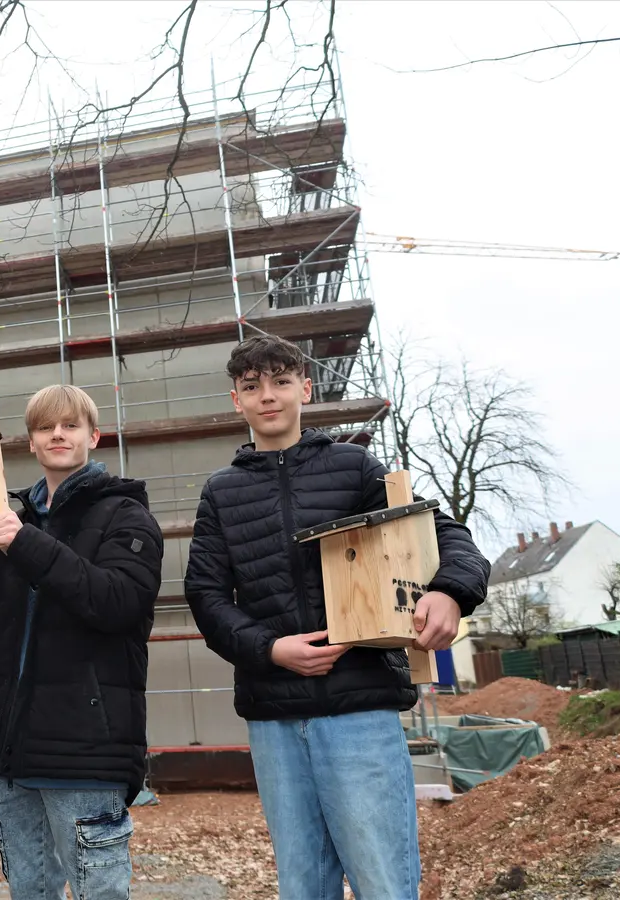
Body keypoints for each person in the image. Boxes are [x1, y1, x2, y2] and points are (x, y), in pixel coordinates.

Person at [184, 335, 490, 899]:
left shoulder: (353, 467)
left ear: (305, 387)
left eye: (280, 382)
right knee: (303, 881)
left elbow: (443, 533)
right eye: (252, 387)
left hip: (362, 704)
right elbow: (205, 594)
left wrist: (450, 591)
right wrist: (269, 649)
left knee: (383, 877)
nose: (267, 396)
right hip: (273, 712)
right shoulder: (222, 492)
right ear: (236, 401)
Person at [0, 384, 163, 900]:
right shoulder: (16, 522)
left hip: (86, 750)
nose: (57, 434)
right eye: (44, 427)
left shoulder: (125, 515)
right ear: (29, 443)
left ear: (93, 436)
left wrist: (27, 545)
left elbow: (118, 602)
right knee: (29, 891)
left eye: (70, 425)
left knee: (98, 892)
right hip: (11, 752)